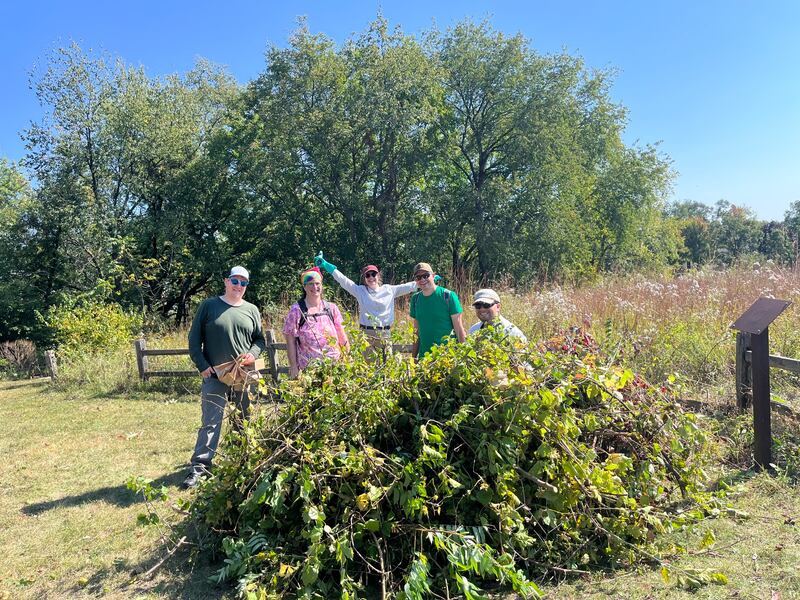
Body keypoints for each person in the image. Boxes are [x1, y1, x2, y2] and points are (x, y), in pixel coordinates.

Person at [184, 266, 266, 489]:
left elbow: (259, 340)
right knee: (211, 422)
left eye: (243, 283)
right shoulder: (209, 306)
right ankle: (200, 468)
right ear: (226, 282)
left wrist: (253, 353)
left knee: (243, 419)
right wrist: (202, 365)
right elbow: (194, 339)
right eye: (235, 281)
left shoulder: (251, 310)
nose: (239, 286)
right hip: (215, 374)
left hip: (242, 374)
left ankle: (241, 461)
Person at [314, 251, 416, 357]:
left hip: (385, 334)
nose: (371, 277)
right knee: (369, 369)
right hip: (366, 334)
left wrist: (430, 279)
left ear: (378, 275)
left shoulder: (389, 290)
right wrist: (326, 265)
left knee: (386, 366)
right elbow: (343, 280)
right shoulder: (360, 291)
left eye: (373, 274)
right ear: (365, 278)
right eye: (368, 275)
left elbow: (409, 286)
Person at [283, 266, 350, 378]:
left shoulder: (331, 308)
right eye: (310, 284)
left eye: (317, 283)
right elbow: (290, 341)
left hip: (335, 368)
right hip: (309, 371)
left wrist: (347, 358)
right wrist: (293, 366)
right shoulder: (297, 310)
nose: (315, 287)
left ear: (322, 285)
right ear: (304, 287)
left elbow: (342, 336)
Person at [409, 262, 466, 359]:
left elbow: (459, 329)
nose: (422, 279)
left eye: (425, 276)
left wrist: (464, 356)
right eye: (418, 277)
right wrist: (413, 358)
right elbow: (416, 332)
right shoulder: (415, 299)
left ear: (433, 275)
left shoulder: (448, 296)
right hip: (424, 360)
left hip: (447, 358)